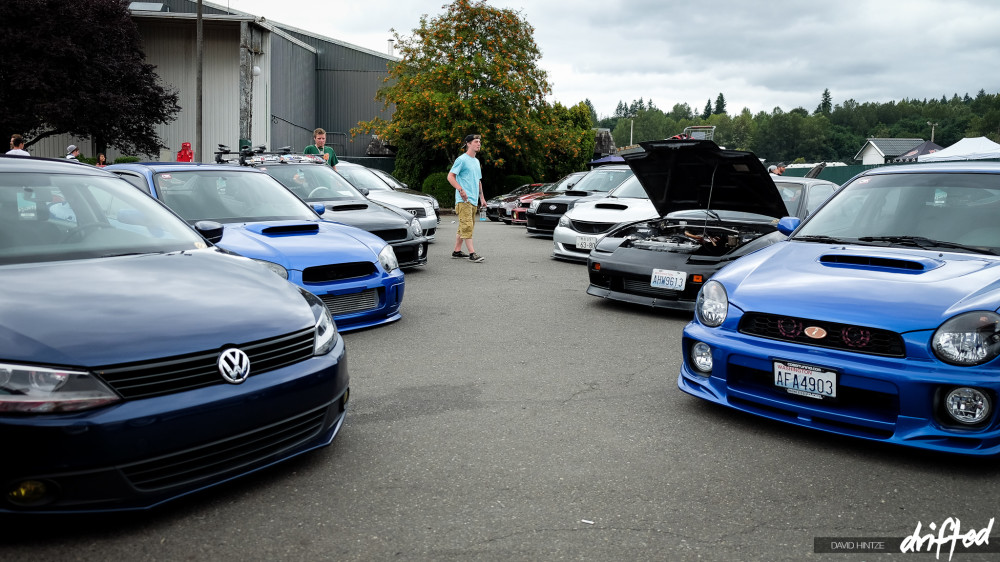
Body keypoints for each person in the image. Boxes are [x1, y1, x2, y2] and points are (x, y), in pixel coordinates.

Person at [448, 133, 486, 262]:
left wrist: (482, 198)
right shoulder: (462, 159)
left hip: (474, 200)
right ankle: (472, 253)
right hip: (463, 200)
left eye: (479, 141)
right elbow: (450, 176)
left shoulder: (476, 161)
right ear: (468, 144)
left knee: (464, 226)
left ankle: (457, 251)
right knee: (467, 226)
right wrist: (460, 190)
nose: (478, 143)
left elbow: (478, 181)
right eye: (475, 141)